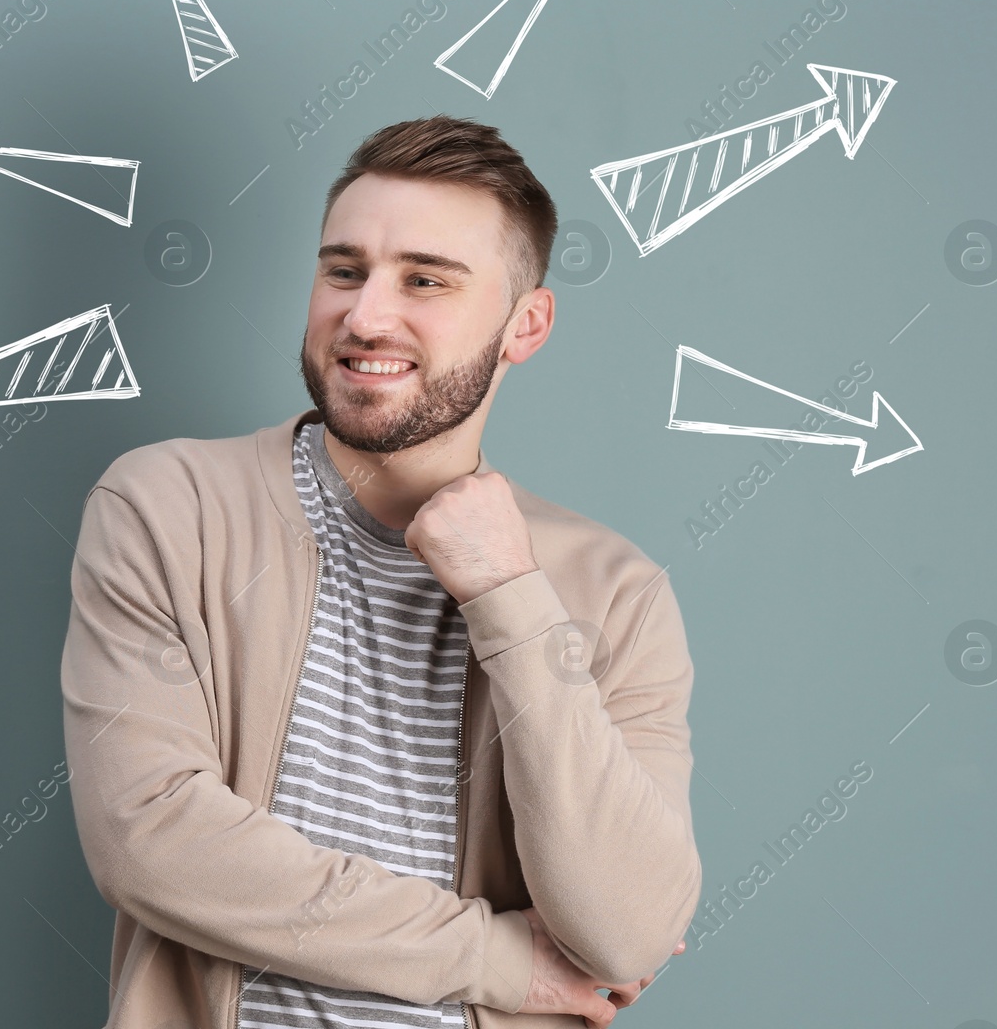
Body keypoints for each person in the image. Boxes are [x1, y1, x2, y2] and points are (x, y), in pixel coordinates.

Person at [61, 116, 699, 1029]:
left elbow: (626, 932)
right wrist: (495, 960)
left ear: (526, 325)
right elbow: (148, 839)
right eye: (343, 270)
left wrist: (508, 596)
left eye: (425, 280)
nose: (364, 317)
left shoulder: (616, 592)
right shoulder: (171, 508)